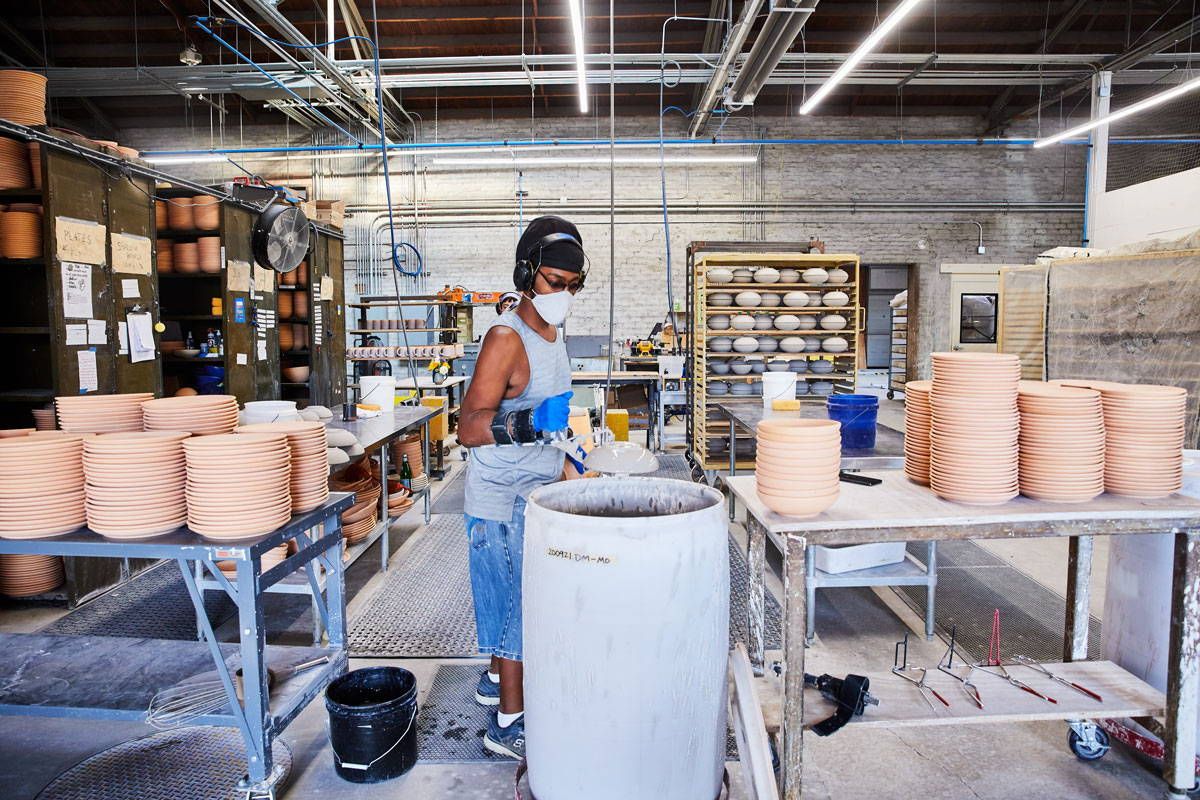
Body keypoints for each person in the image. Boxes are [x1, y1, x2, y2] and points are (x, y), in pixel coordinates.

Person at [457, 215, 586, 759]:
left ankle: (493, 684)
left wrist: (571, 464)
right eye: (555, 283)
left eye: (573, 286)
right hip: (500, 497)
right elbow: (468, 427)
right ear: (527, 272)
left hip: (534, 487)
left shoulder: (552, 334)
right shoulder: (506, 339)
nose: (564, 295)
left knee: (511, 601)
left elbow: (552, 422)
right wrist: (531, 424)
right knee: (519, 610)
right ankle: (509, 726)